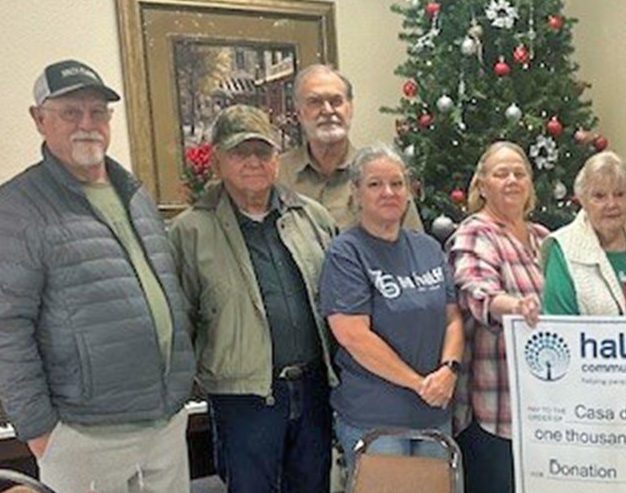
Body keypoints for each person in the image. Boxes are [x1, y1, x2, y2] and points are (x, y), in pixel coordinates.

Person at [0, 59, 196, 493]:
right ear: (39, 119)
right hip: (84, 434)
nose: (86, 124)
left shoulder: (134, 194)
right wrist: (39, 431)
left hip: (163, 421)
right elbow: (7, 328)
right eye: (71, 112)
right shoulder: (16, 208)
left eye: (97, 112)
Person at [170, 105, 337, 493]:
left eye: (262, 151)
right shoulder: (190, 232)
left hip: (313, 389)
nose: (252, 162)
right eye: (239, 152)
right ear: (217, 161)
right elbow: (180, 323)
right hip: (242, 400)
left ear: (276, 159)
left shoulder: (312, 218)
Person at [318, 144, 464, 470]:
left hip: (433, 414)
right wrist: (419, 384)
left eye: (397, 183)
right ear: (356, 193)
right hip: (375, 420)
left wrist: (449, 370)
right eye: (375, 184)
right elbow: (353, 336)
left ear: (409, 191)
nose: (388, 192)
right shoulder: (346, 253)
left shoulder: (428, 248)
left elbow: (453, 319)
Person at [448, 141, 548, 493]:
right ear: (482, 185)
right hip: (494, 409)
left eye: (519, 173)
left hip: (544, 409)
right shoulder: (475, 231)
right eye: (501, 173)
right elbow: (477, 291)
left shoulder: (544, 238)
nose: (512, 180)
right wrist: (516, 306)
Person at [279, 64, 423, 231]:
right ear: (299, 113)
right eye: (315, 102)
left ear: (350, 108)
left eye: (336, 101)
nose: (327, 110)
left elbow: (413, 241)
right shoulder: (278, 174)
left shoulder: (382, 173)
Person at [541, 151, 626, 315]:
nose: (611, 204)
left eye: (619, 194)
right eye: (599, 196)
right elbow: (559, 323)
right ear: (583, 201)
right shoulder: (563, 248)